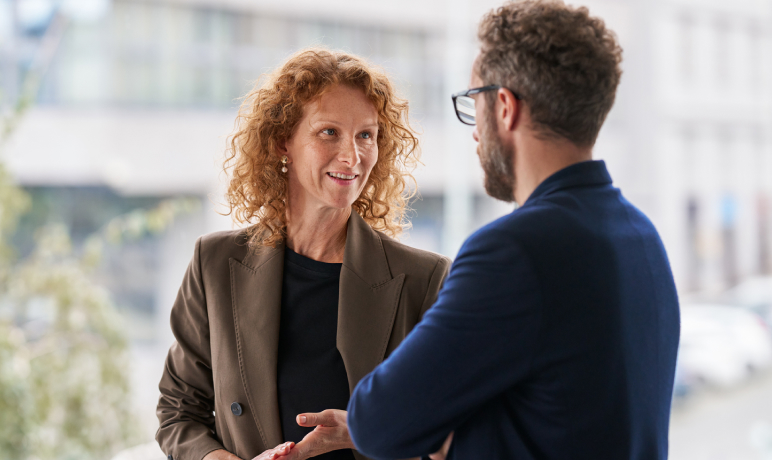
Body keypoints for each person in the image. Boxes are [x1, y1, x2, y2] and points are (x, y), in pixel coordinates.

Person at [347, 1, 681, 459]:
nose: (474, 133)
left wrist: (441, 432)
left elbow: (377, 423)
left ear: (504, 106)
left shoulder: (516, 250)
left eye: (474, 103)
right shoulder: (641, 235)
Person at [155, 48, 451, 460]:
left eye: (366, 135)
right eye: (329, 132)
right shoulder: (215, 263)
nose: (352, 155)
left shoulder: (424, 279)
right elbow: (179, 411)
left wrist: (364, 430)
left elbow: (454, 427)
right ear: (282, 142)